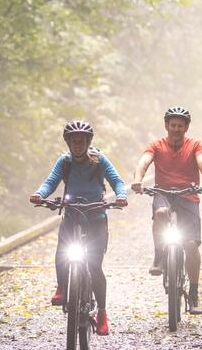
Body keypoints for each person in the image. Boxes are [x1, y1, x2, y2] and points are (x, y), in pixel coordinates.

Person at [29, 120, 128, 336]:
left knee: (94, 266)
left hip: (95, 216)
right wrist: (40, 194)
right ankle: (62, 286)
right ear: (68, 142)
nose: (77, 144)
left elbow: (117, 181)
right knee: (63, 249)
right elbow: (51, 181)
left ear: (87, 142)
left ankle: (102, 312)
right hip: (72, 213)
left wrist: (121, 195)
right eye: (73, 141)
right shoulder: (64, 162)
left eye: (81, 141)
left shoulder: (99, 160)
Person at [130, 106, 202, 315]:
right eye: (173, 125)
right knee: (160, 214)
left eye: (180, 125)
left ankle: (194, 294)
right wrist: (137, 180)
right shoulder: (157, 145)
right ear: (166, 126)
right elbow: (144, 160)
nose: (176, 129)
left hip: (188, 194)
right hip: (163, 192)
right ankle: (159, 255)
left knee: (190, 245)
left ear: (186, 127)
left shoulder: (195, 145)